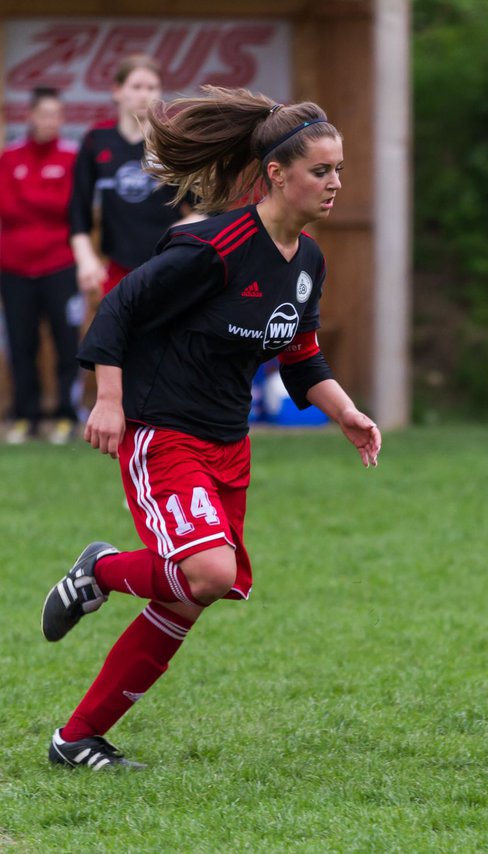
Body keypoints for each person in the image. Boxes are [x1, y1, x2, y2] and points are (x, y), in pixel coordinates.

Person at [39, 87, 381, 770]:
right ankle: (100, 572)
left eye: (340, 169)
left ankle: (76, 740)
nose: (336, 183)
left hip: (229, 443)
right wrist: (108, 400)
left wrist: (344, 410)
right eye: (322, 170)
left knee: (195, 596)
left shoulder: (308, 260)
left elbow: (298, 351)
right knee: (207, 571)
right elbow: (118, 307)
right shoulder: (214, 245)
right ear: (277, 174)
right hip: (162, 431)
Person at [68, 54, 190, 298]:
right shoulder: (97, 140)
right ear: (117, 91)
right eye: (136, 87)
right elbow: (78, 211)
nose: (144, 95)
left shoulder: (174, 144)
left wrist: (179, 235)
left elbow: (204, 209)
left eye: (151, 87)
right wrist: (85, 259)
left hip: (167, 268)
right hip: (116, 268)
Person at [0, 88, 81, 445]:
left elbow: (68, 206)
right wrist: (44, 197)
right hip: (14, 269)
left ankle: (65, 415)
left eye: (56, 115)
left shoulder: (70, 157)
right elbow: (7, 208)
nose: (49, 121)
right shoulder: (9, 157)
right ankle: (24, 416)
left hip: (61, 266)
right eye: (43, 114)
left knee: (67, 344)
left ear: (62, 120)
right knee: (21, 344)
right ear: (30, 116)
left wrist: (28, 191)